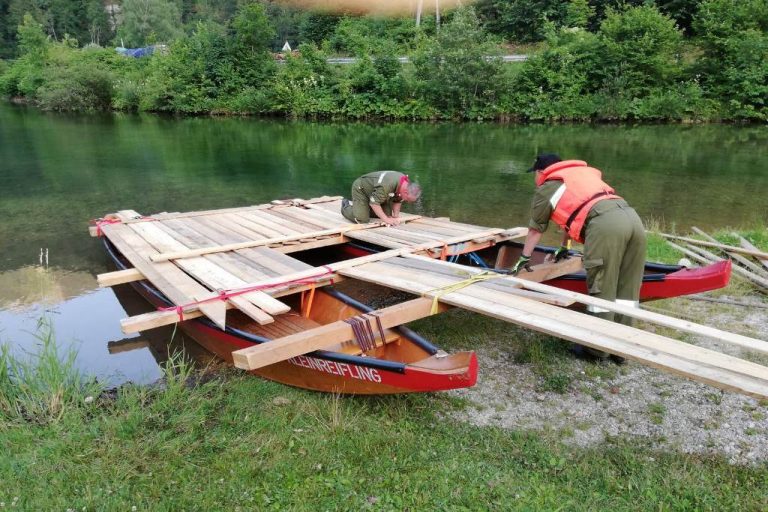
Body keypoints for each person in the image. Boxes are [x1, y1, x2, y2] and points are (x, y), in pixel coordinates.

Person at [512, 153, 647, 362]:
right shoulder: (578, 175)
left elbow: (535, 230)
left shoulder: (548, 185)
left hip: (606, 227)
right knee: (627, 287)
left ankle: (596, 351)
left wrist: (523, 258)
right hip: (632, 219)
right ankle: (621, 350)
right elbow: (572, 215)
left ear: (540, 172)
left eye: (535, 173)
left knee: (603, 286)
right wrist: (564, 246)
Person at [341, 170, 422, 226]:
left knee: (387, 215)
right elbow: (374, 203)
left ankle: (365, 209)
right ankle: (346, 207)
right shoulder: (386, 186)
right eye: (408, 200)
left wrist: (396, 217)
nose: (407, 201)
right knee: (362, 219)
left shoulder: (405, 185)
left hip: (377, 193)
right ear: (405, 192)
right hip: (361, 189)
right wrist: (386, 220)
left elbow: (398, 200)